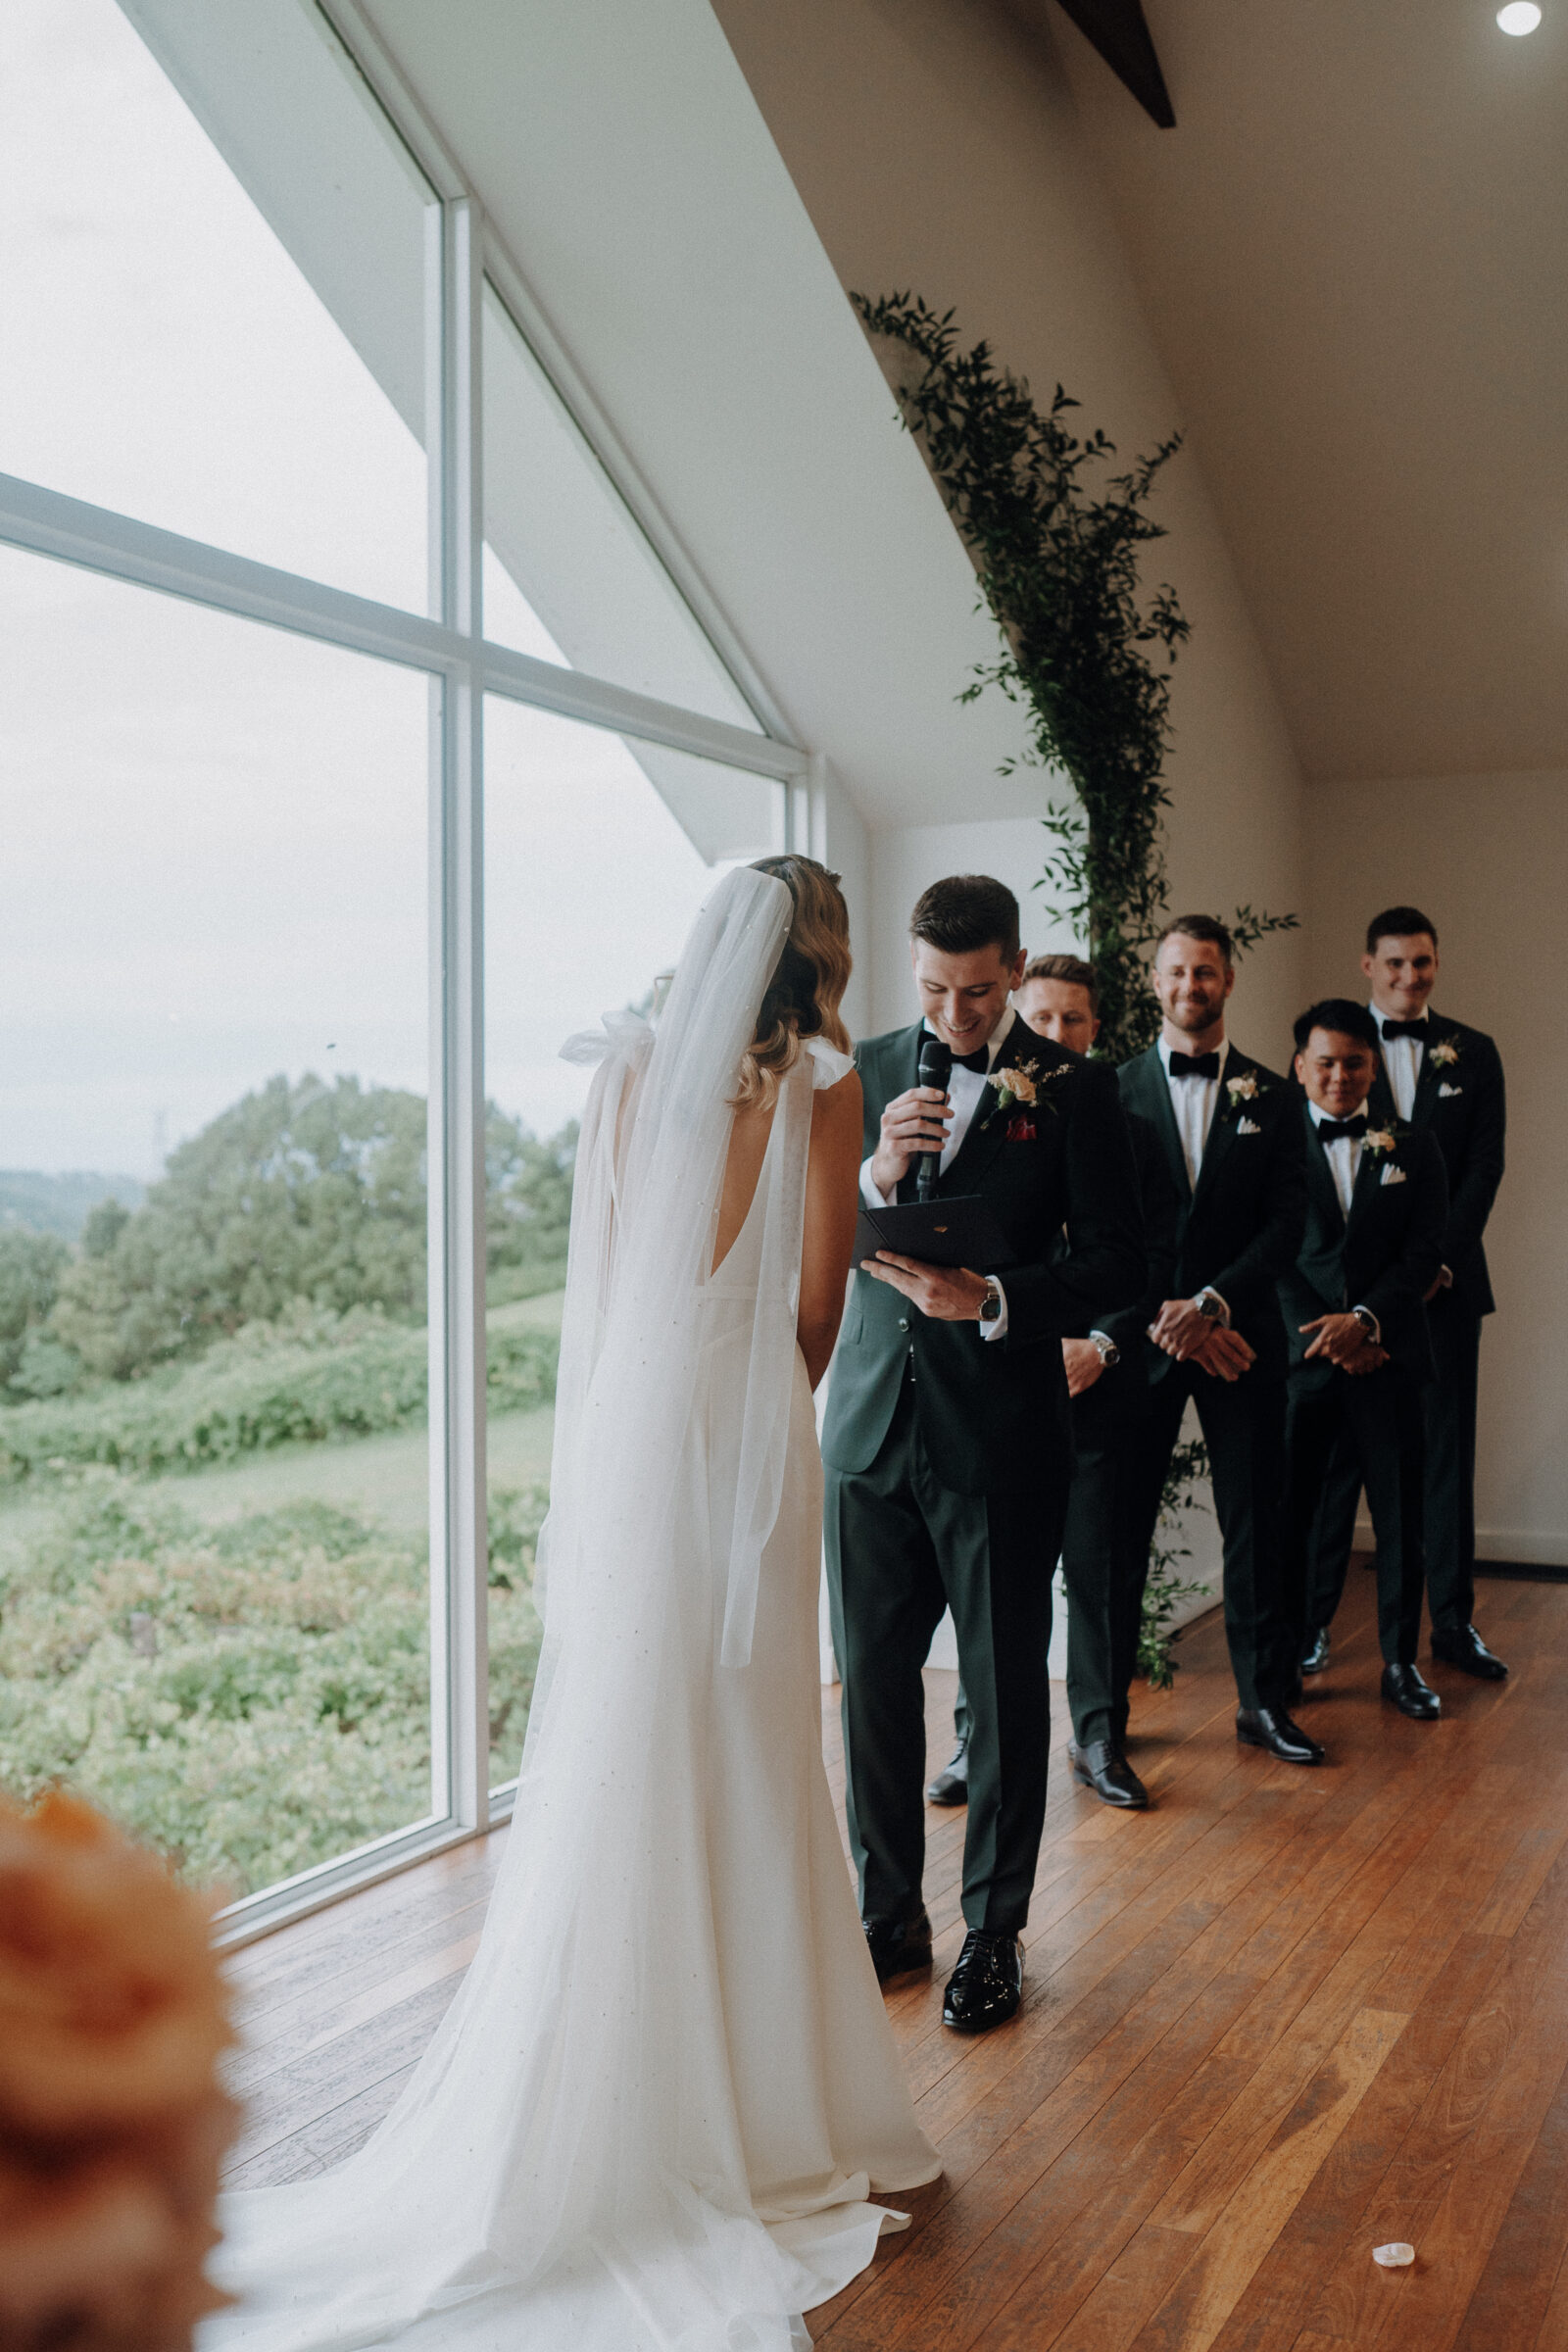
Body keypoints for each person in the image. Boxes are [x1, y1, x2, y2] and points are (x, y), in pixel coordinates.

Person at [205, 859, 940, 2352]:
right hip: (743, 1446)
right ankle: (764, 2103)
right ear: (825, 958)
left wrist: (650, 1431)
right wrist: (755, 1426)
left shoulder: (626, 1073)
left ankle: (609, 2082)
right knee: (750, 1746)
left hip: (633, 1446)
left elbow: (607, 1286)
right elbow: (817, 1308)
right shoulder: (827, 1083)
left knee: (627, 1743)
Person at [822, 878, 1144, 2035]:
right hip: (867, 1431)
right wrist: (870, 1179)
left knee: (1006, 1691)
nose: (952, 1014)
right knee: (869, 1689)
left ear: (1012, 970)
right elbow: (813, 1237)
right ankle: (884, 1919)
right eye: (931, 991)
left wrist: (995, 1298)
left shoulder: (1077, 1091)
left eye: (974, 991)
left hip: (1002, 1434)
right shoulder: (853, 1071)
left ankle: (994, 1938)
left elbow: (1118, 1260)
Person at [925, 954, 1181, 1814]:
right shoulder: (963, 1124)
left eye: (1073, 1021)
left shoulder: (1131, 1128)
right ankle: (975, 1738)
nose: (1056, 1034)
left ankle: (1099, 1737)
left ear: (1096, 1029)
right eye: (1042, 1018)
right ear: (1017, 1016)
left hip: (1099, 1385)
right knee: (996, 1580)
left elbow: (1146, 1261)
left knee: (1101, 1568)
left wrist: (1103, 1347)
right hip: (1000, 1384)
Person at [1115, 916, 1320, 1764]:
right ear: (1154, 982)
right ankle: (1104, 1723)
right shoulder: (1112, 1091)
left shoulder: (1275, 1098)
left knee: (1256, 1523)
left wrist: (1212, 1303)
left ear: (1229, 981)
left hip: (1241, 1337)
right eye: (1176, 972)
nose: (1190, 987)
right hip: (1143, 1338)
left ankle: (1263, 1704)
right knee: (1119, 1531)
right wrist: (1171, 1317)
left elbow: (1288, 1225)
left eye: (1205, 972)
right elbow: (1105, 1227)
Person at [1306, 907, 1508, 1681]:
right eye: (1394, 964)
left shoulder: (1474, 1054)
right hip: (1347, 1301)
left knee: (1446, 1460)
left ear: (1435, 963)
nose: (1409, 977)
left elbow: (1483, 1169)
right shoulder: (1334, 1049)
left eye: (1421, 963)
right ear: (1368, 966)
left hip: (1446, 1290)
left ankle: (1452, 1627)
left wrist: (1436, 1266)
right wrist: (1366, 1300)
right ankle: (1313, 1626)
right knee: (1336, 1466)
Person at [1281, 1003, 1448, 1719]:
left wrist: (1369, 1323)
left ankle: (1401, 1662)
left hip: (1389, 1359)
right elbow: (1270, 1251)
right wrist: (1325, 1335)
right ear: (1300, 1067)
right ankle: (1292, 1648)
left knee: (1400, 1515)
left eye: (1354, 1062)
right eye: (1325, 1062)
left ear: (1373, 1066)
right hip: (1304, 1364)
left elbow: (1423, 1253)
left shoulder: (1413, 1145)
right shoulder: (1271, 1145)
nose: (1340, 1076)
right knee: (1296, 1516)